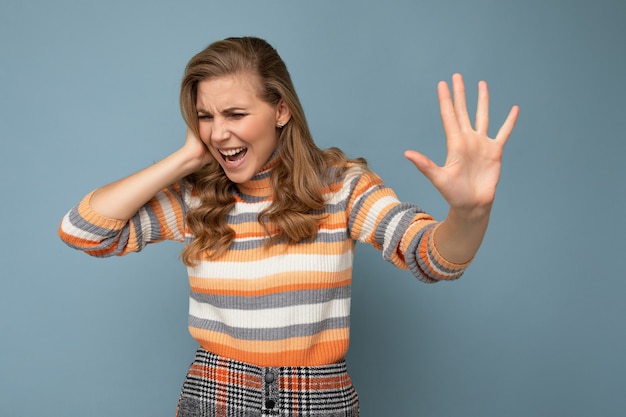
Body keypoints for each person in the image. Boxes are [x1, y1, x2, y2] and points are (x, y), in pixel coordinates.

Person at [58, 36, 519, 417]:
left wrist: (469, 213)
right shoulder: (198, 197)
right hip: (215, 399)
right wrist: (185, 158)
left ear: (280, 110)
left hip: (319, 402)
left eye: (235, 114)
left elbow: (429, 256)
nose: (219, 133)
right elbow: (83, 231)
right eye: (206, 116)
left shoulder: (341, 188)